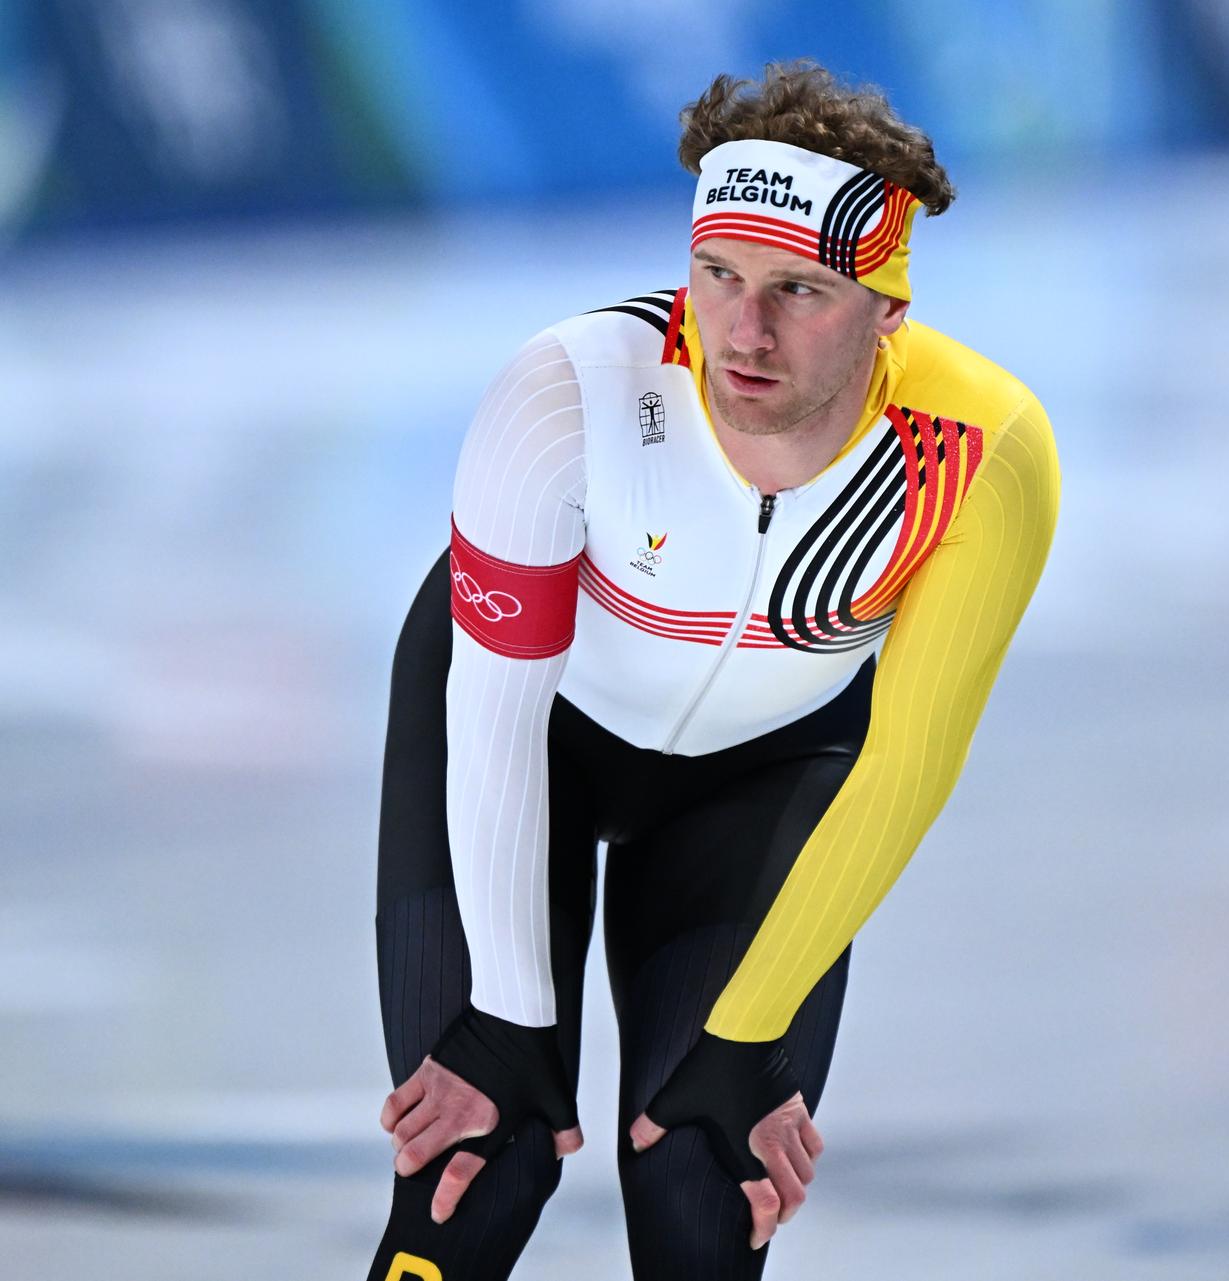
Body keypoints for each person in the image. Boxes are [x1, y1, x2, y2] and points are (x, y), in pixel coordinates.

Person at [366, 60, 1061, 1281]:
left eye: (800, 290)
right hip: (531, 740)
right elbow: (492, 713)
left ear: (888, 311)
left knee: (702, 1179)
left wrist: (746, 1038)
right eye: (721, 275)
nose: (744, 331)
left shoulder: (981, 452)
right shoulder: (567, 393)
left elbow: (905, 764)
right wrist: (510, 1020)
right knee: (485, 1161)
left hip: (766, 771)